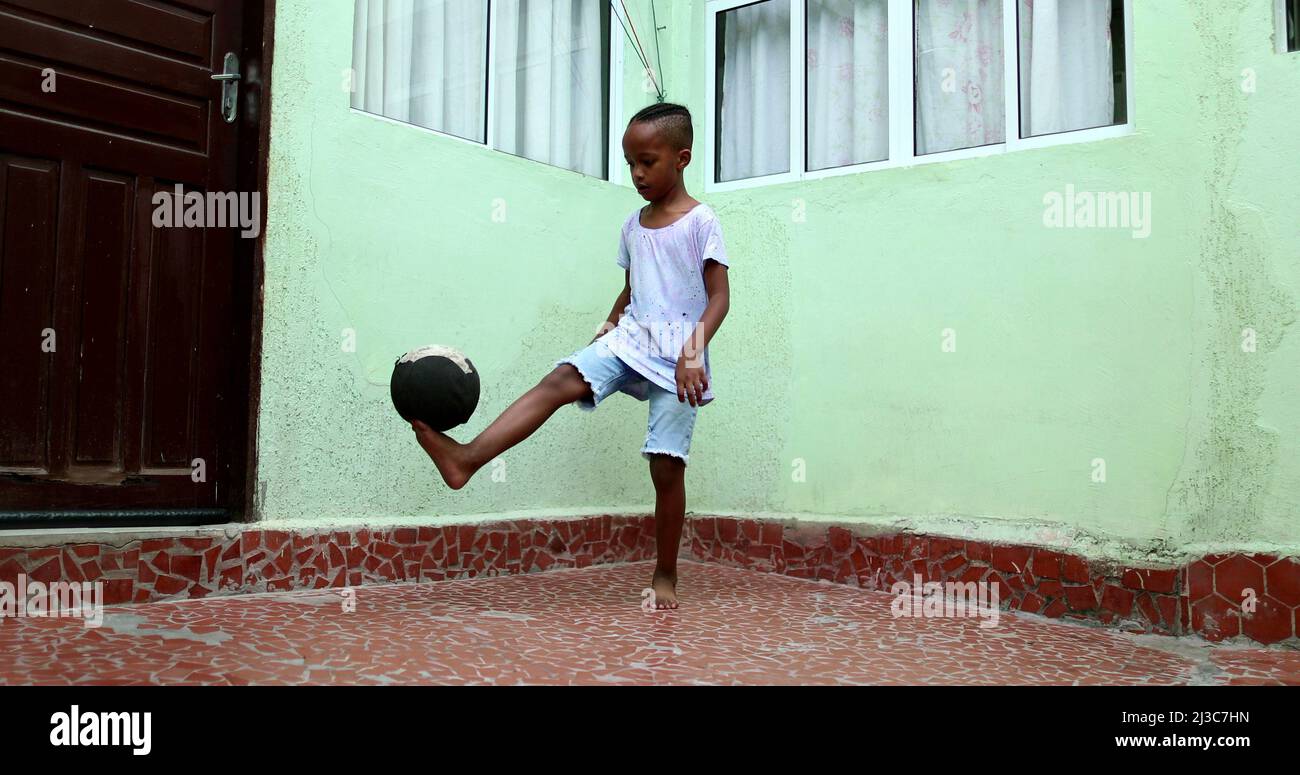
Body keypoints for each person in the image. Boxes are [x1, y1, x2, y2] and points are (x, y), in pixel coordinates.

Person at [411, 102, 731, 610]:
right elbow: (633, 289)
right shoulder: (633, 225)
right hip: (632, 337)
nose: (638, 173)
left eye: (648, 161)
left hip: (680, 352)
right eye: (630, 163)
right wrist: (605, 331)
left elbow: (719, 297)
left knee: (667, 467)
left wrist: (693, 352)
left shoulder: (701, 222)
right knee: (560, 379)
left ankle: (665, 573)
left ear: (682, 158)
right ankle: (466, 459)